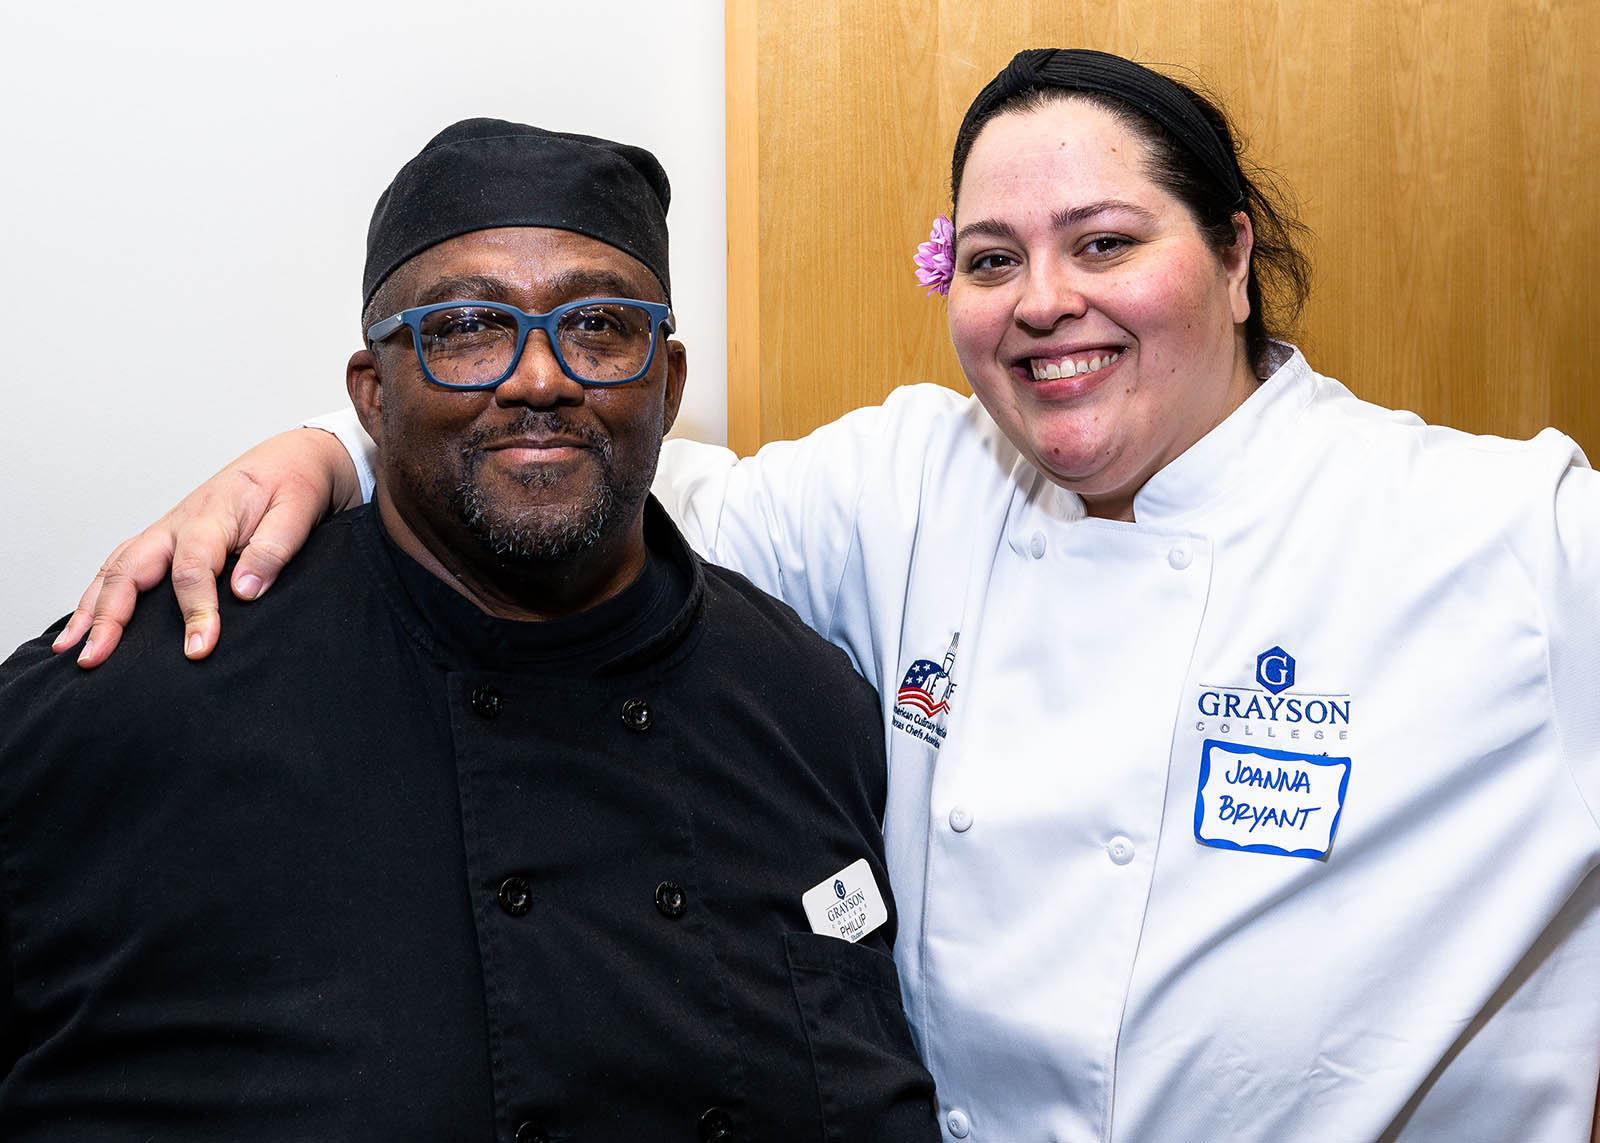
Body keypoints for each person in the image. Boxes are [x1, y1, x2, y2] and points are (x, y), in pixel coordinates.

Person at [53, 50, 1600, 1142]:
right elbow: (585, 472)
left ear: (1235, 253)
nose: (1046, 300)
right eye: (992, 258)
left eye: (1107, 242)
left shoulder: (1502, 530)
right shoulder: (911, 481)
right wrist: (327, 447)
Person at [0, 117, 939, 1141]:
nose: (540, 377)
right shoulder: (130, 701)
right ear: (371, 395)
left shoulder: (809, 705)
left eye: (598, 324)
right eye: (464, 330)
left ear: (666, 386)